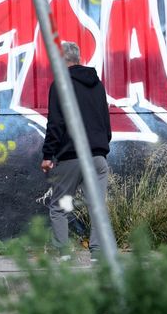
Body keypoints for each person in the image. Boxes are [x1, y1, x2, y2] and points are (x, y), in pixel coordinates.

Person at [40, 40, 113, 258]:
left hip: (72, 156)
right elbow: (105, 120)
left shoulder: (60, 83)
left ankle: (63, 255)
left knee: (60, 206)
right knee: (97, 207)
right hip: (98, 156)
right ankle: (98, 254)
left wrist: (47, 155)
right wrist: (102, 146)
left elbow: (56, 123)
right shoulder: (97, 84)